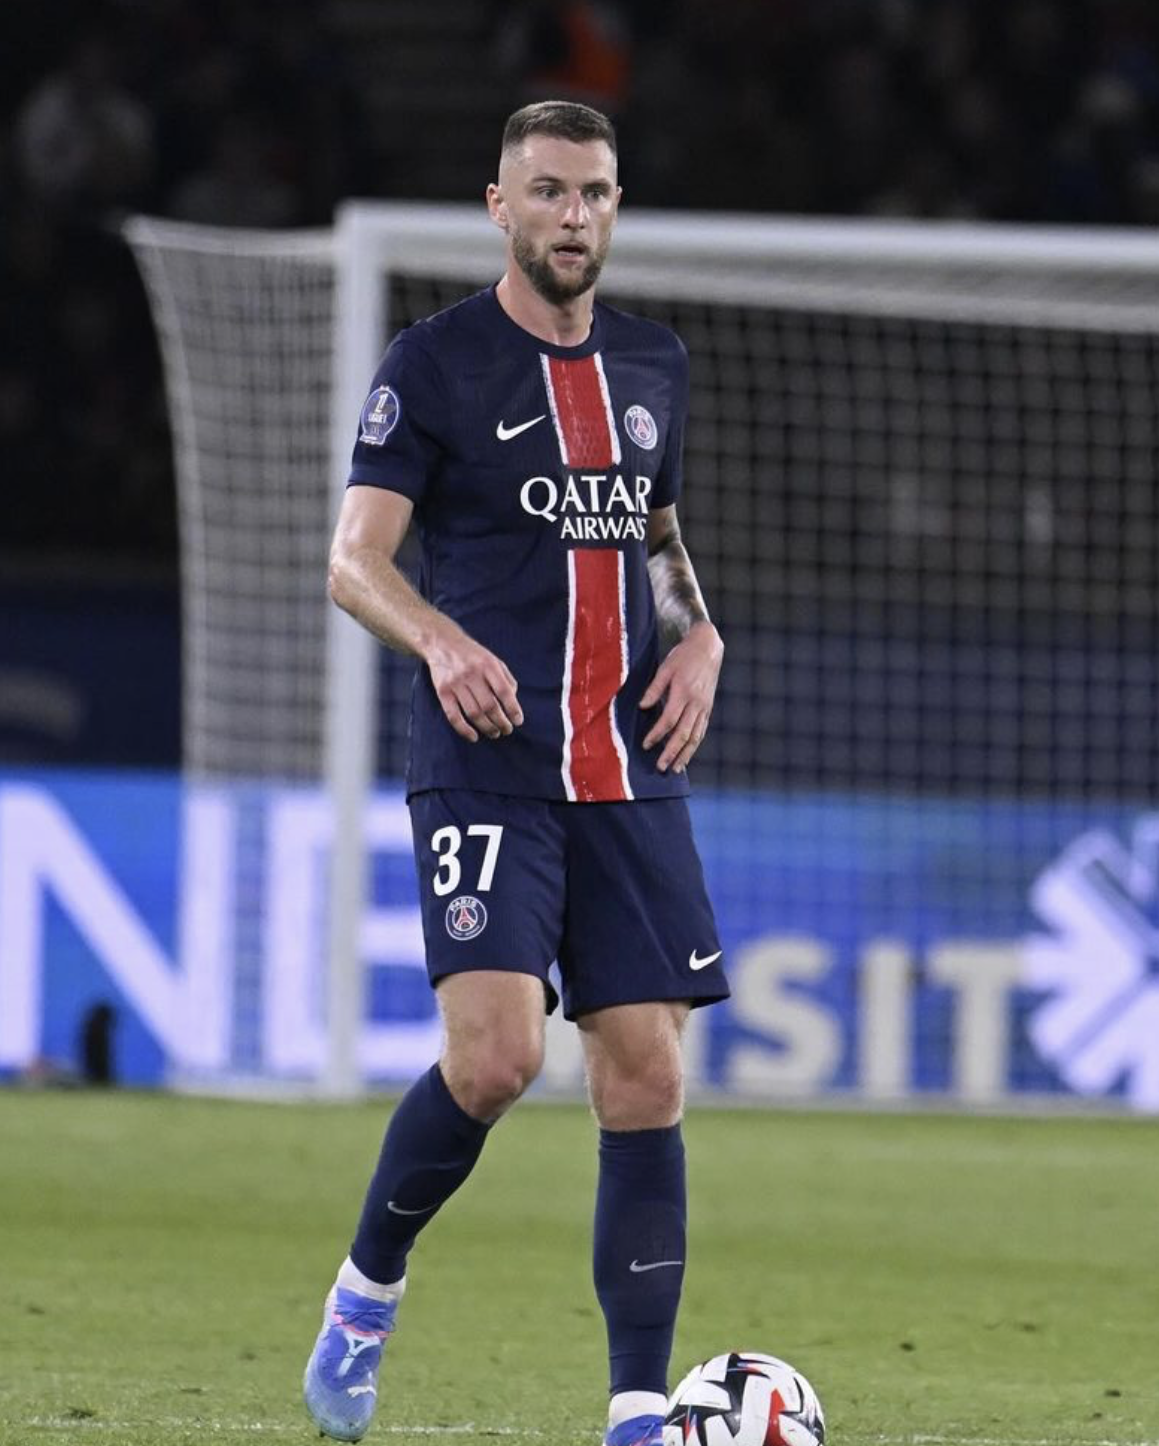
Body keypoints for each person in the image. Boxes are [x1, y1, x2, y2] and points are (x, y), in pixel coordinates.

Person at [303, 99, 729, 1446]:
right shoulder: (434, 364)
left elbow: (654, 531)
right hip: (487, 759)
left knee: (646, 1076)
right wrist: (439, 641)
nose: (572, 215)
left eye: (593, 192)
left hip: (627, 760)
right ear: (500, 206)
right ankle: (367, 1291)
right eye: (547, 191)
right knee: (495, 1060)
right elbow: (354, 561)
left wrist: (700, 629)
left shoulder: (653, 363)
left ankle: (639, 1408)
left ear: (616, 206)